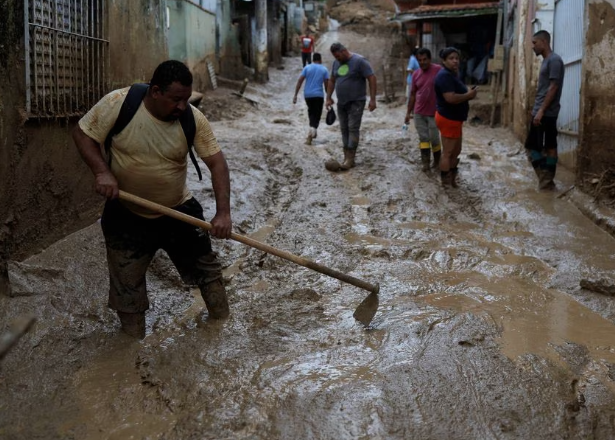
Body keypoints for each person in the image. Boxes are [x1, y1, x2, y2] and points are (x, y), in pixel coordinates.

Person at [72, 60, 232, 339]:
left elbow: (217, 164)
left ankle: (223, 329)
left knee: (209, 274)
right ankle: (131, 352)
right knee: (127, 289)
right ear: (155, 91)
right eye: (176, 99)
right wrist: (102, 172)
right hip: (125, 215)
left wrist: (223, 214)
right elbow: (82, 133)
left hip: (178, 211)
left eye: (186, 99)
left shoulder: (192, 118)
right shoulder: (119, 104)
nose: (182, 106)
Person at [325, 42, 377, 170]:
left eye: (338, 56)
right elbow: (332, 80)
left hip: (356, 101)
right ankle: (346, 156)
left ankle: (350, 158)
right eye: (335, 57)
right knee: (344, 128)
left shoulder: (359, 61)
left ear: (344, 51)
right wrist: (328, 97)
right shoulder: (336, 63)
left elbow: (371, 78)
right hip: (341, 102)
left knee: (352, 127)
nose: (337, 59)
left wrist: (373, 99)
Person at [525, 30, 565, 190]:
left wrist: (541, 110)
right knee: (539, 145)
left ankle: (546, 179)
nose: (533, 46)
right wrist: (536, 109)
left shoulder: (554, 60)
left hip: (547, 112)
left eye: (535, 43)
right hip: (542, 110)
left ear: (544, 42)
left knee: (542, 146)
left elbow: (553, 87)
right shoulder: (547, 60)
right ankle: (547, 180)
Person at [434, 47, 478, 187]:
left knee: (455, 151)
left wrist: (467, 93)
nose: (455, 61)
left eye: (456, 58)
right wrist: (469, 95)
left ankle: (452, 179)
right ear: (444, 61)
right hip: (449, 118)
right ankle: (446, 183)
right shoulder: (444, 76)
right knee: (448, 152)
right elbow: (450, 98)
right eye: (451, 58)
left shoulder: (452, 74)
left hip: (454, 118)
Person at [404, 48, 442, 171]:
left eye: (425, 59)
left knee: (434, 138)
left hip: (434, 112)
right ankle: (425, 163)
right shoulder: (415, 74)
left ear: (430, 59)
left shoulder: (438, 70)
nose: (422, 62)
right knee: (423, 138)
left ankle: (437, 162)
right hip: (419, 112)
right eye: (419, 60)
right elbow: (413, 94)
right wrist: (408, 113)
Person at [293, 52, 330, 145]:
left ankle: (313, 130)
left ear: (313, 59)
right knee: (317, 114)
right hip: (318, 95)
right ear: (320, 60)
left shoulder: (307, 68)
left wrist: (295, 95)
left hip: (308, 95)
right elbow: (326, 85)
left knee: (311, 112)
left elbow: (299, 81)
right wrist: (328, 97)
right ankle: (311, 133)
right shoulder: (324, 69)